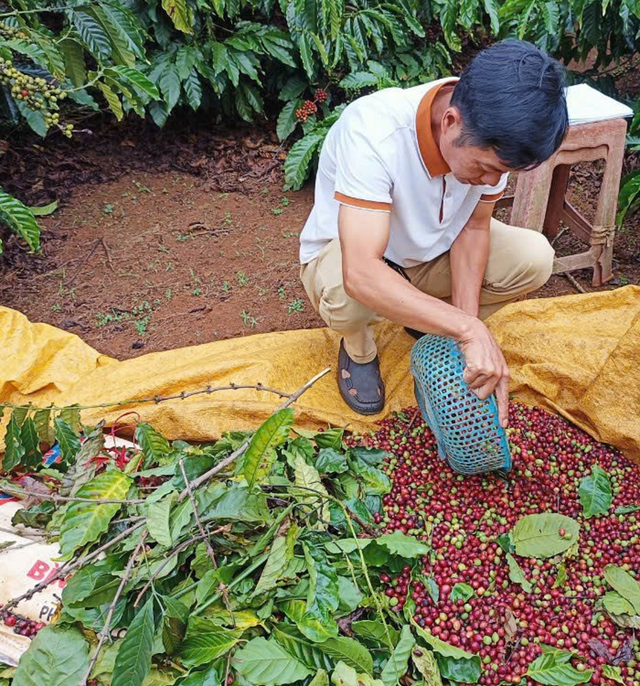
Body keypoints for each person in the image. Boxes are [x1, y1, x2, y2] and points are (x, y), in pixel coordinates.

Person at [298, 39, 568, 424]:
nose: (492, 180)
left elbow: (474, 229)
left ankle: (426, 323)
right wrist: (468, 329)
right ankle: (359, 350)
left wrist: (465, 324)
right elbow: (360, 271)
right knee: (351, 293)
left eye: (503, 171)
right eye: (485, 167)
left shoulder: (491, 134)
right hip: (348, 257)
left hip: (424, 256)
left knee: (534, 258)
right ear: (450, 122)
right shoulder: (374, 132)